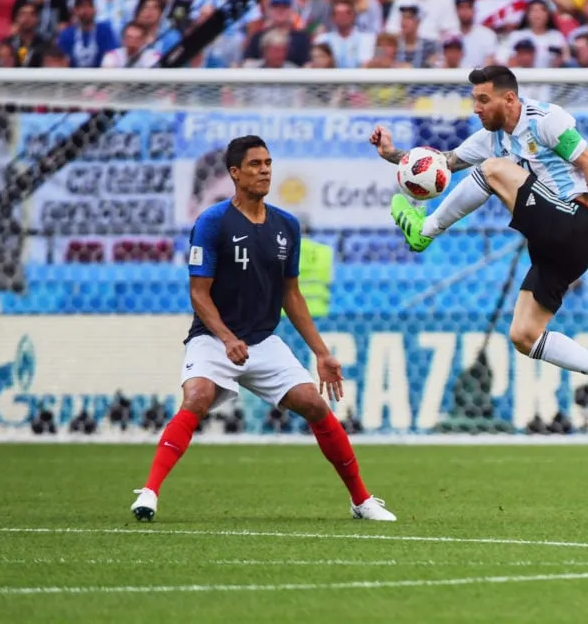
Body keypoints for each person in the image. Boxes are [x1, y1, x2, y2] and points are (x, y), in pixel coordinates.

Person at [130, 135, 396, 523]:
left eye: (268, 163)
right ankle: (150, 492)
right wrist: (225, 337)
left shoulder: (286, 226)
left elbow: (292, 294)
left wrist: (321, 353)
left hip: (261, 342)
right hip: (213, 337)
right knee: (197, 397)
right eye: (255, 164)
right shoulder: (212, 222)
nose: (265, 170)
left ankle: (361, 500)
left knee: (315, 405)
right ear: (235, 173)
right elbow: (198, 293)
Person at [369, 66, 588, 428]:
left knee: (492, 170)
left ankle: (426, 230)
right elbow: (441, 165)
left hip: (573, 222)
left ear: (509, 98)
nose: (476, 108)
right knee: (524, 336)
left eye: (483, 100)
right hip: (556, 251)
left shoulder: (546, 120)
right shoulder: (488, 139)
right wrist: (390, 154)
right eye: (474, 101)